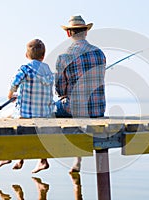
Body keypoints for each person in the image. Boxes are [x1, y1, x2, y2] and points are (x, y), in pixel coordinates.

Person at [55, 15, 106, 172]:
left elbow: (59, 89)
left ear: (68, 34)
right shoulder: (99, 54)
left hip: (75, 108)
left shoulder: (63, 57)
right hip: (97, 110)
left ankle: (42, 160)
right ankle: (77, 161)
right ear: (86, 32)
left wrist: (64, 95)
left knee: (49, 109)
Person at [0, 39, 54, 173]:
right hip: (45, 114)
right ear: (43, 56)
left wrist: (10, 95)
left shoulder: (26, 68)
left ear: (26, 55)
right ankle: (42, 160)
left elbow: (14, 83)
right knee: (36, 132)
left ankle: (8, 155)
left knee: (4, 117)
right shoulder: (48, 70)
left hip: (25, 114)